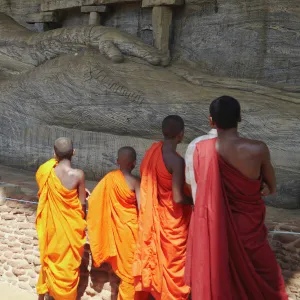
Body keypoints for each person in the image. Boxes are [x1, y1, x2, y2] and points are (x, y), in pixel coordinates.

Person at [185, 96, 288, 300]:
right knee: (267, 277)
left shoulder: (201, 150)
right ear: (240, 117)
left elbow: (195, 188)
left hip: (215, 227)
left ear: (211, 120)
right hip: (248, 227)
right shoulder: (257, 149)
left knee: (220, 273)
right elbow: (272, 186)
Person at [133, 115, 193, 300]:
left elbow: (147, 183)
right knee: (173, 265)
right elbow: (177, 197)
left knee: (156, 265)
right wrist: (195, 200)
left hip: (155, 216)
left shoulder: (152, 151)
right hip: (172, 221)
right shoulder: (176, 161)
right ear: (181, 135)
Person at [36, 137, 87, 300]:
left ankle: (48, 292)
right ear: (74, 152)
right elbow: (81, 206)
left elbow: (44, 192)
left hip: (52, 229)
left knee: (50, 261)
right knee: (68, 267)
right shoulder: (78, 174)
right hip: (70, 230)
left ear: (54, 153)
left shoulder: (47, 172)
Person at [87, 147, 142, 300]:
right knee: (130, 276)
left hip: (118, 230)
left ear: (117, 161)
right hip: (131, 231)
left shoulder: (110, 178)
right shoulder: (136, 181)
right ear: (134, 163)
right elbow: (143, 207)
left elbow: (93, 201)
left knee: (127, 273)